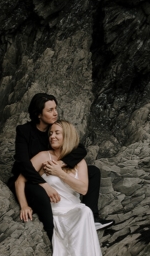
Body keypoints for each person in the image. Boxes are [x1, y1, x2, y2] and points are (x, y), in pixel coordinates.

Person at [14, 120, 107, 256]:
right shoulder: (42, 156)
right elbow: (20, 181)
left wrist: (59, 173)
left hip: (73, 206)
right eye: (50, 133)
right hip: (55, 210)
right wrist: (24, 205)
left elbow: (83, 189)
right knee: (68, 226)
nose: (52, 136)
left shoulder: (78, 161)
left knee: (85, 212)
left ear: (67, 136)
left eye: (57, 133)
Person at [7, 93, 112, 241]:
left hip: (52, 173)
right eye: (50, 110)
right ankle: (53, 235)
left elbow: (80, 149)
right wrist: (44, 185)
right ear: (38, 113)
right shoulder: (24, 131)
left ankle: (92, 217)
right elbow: (23, 163)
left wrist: (61, 165)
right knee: (40, 193)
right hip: (29, 177)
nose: (55, 113)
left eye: (55, 108)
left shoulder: (54, 129)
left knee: (93, 171)